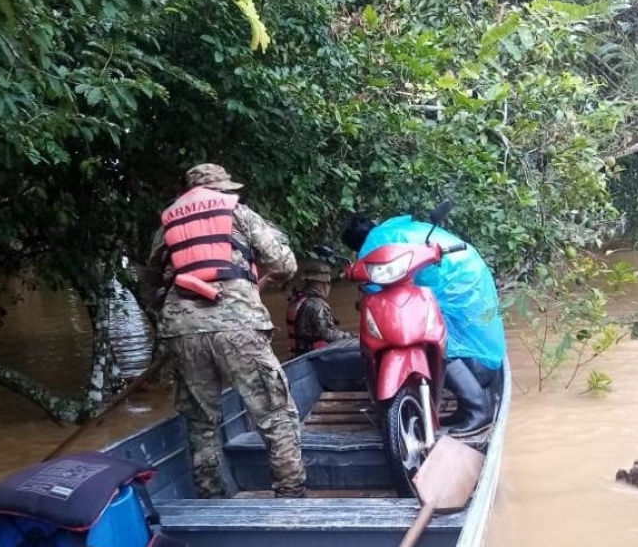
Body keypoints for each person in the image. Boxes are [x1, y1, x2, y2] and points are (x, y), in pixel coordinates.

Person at [141, 163, 306, 498]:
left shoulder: (169, 222)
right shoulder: (240, 213)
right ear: (222, 189)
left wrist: (166, 312)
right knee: (275, 413)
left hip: (182, 329)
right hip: (239, 326)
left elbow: (149, 279)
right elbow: (284, 264)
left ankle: (211, 497)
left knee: (202, 422)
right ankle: (291, 493)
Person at [340, 212, 506, 437]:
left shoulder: (373, 245)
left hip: (451, 278)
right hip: (467, 268)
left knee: (439, 340)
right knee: (459, 336)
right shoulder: (392, 229)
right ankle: (467, 406)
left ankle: (478, 410)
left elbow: (379, 294)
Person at [286, 255, 356, 357]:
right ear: (323, 284)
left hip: (299, 356)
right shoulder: (316, 306)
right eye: (328, 284)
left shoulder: (296, 300)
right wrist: (353, 337)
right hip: (315, 359)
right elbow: (329, 335)